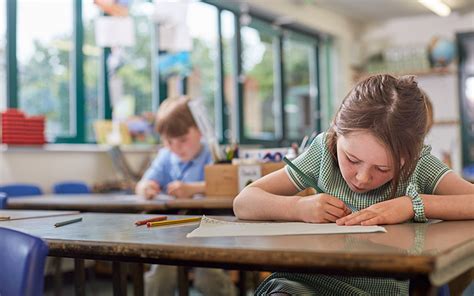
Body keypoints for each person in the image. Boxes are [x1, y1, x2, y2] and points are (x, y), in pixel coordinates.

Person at [233, 74, 474, 295]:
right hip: (304, 284)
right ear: (337, 131)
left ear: (408, 158)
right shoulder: (322, 152)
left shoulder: (419, 164)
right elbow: (244, 202)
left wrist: (412, 205)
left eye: (382, 169)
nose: (361, 178)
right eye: (352, 159)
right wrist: (298, 207)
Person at [136, 96, 235, 296]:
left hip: (210, 234)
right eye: (168, 141)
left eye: (182, 140)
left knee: (209, 277)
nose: (176, 147)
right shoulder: (165, 157)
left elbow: (228, 185)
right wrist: (146, 187)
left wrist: (193, 188)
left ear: (199, 131)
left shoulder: (213, 154)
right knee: (161, 275)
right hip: (173, 236)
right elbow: (141, 184)